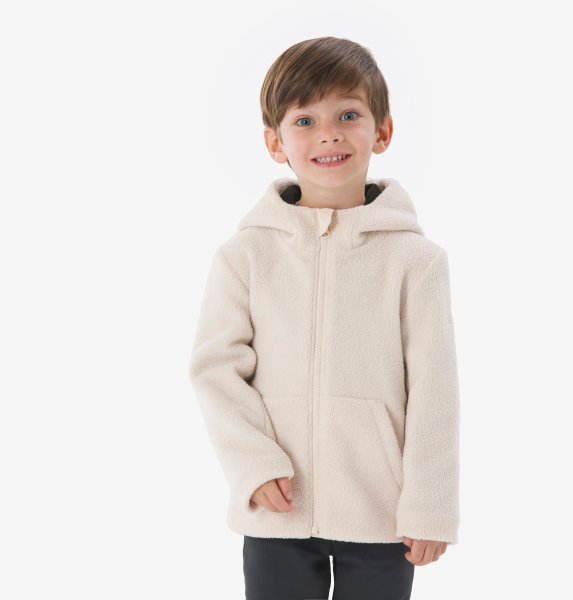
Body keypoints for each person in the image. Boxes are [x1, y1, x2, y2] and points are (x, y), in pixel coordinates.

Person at [188, 35, 460, 600]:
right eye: (305, 120)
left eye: (348, 115)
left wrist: (430, 504)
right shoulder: (245, 256)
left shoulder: (417, 261)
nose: (329, 133)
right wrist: (253, 463)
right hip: (277, 506)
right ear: (275, 142)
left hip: (381, 513)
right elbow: (215, 370)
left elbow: (434, 389)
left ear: (382, 131)